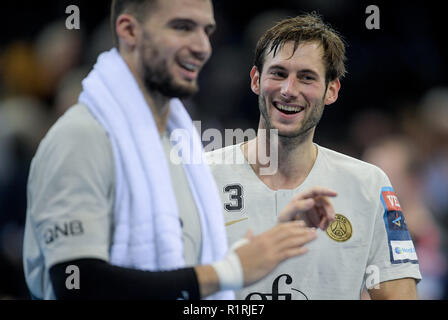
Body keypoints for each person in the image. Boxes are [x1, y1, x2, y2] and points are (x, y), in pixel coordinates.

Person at [23, 0, 335, 300]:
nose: (202, 47)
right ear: (130, 31)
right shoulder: (83, 136)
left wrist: (269, 241)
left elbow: (176, 268)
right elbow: (75, 283)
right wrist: (228, 271)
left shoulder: (176, 148)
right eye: (182, 27)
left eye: (206, 31)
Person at [206, 13, 422, 300]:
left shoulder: (368, 184)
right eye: (278, 73)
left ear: (331, 90)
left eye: (306, 78)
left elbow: (399, 295)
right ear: (256, 80)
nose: (288, 90)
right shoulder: (203, 176)